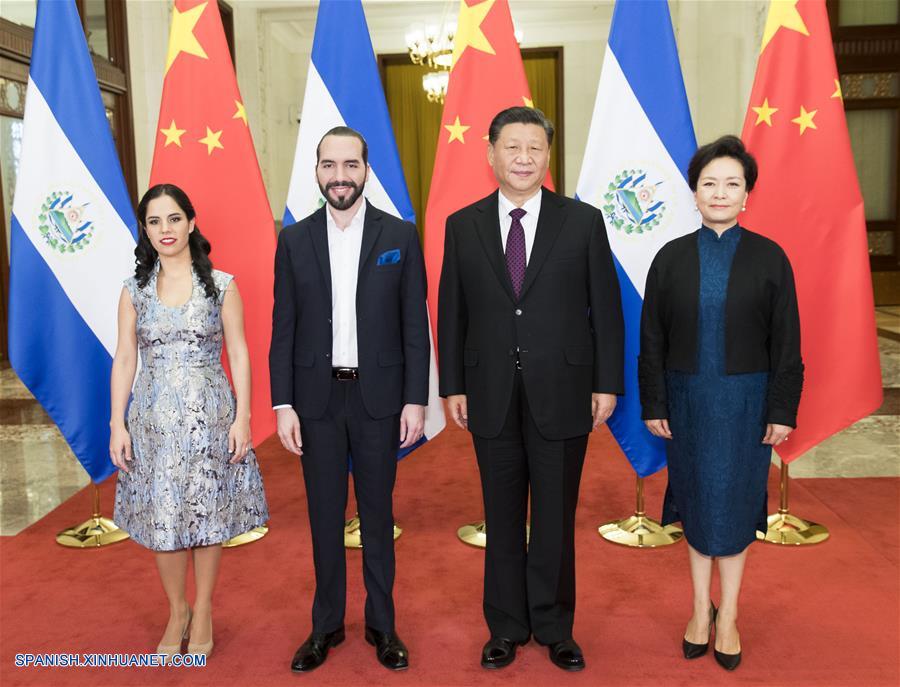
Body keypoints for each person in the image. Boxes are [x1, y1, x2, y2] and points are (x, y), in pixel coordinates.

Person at [438, 106, 624, 672]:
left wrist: (606, 383)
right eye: (512, 147)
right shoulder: (462, 223)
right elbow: (452, 312)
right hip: (489, 391)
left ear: (548, 156)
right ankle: (506, 627)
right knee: (499, 515)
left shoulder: (583, 221)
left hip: (565, 390)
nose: (523, 158)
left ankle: (554, 626)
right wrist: (452, 385)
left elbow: (607, 312)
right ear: (490, 153)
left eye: (535, 148)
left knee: (554, 516)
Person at [639, 135, 803, 671]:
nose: (720, 192)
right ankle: (697, 611)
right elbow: (652, 341)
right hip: (686, 402)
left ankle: (728, 614)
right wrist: (654, 401)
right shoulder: (670, 257)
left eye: (732, 183)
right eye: (710, 182)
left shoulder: (770, 258)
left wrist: (782, 409)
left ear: (747, 194)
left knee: (732, 507)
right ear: (694, 190)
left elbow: (787, 343)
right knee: (695, 503)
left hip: (746, 405)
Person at [270, 126, 429, 673]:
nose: (340, 176)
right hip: (314, 401)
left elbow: (415, 324)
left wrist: (415, 399)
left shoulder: (400, 236)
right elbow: (283, 327)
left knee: (379, 516)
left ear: (366, 169)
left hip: (379, 398)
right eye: (329, 165)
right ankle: (326, 626)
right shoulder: (293, 240)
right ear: (316, 171)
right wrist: (282, 404)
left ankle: (383, 625)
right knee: (322, 517)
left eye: (350, 165)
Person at [110, 183, 269, 662]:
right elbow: (124, 357)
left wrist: (244, 416)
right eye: (154, 221)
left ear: (191, 222)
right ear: (145, 229)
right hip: (152, 422)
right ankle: (176, 610)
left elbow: (239, 351)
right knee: (164, 518)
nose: (165, 230)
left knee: (207, 514)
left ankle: (203, 610)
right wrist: (117, 423)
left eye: (174, 219)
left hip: (210, 420)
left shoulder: (221, 284)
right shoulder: (133, 289)